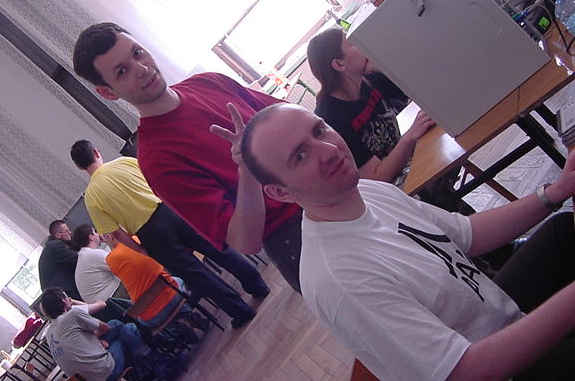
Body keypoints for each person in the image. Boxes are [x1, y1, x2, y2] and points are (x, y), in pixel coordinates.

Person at [239, 103, 575, 381]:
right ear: (280, 192)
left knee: (562, 232)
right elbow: (466, 371)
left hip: (494, 317)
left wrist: (554, 192)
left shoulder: (365, 190)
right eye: (300, 156)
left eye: (319, 130)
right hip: (492, 367)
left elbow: (466, 233)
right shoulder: (338, 278)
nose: (328, 150)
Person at [72, 23, 303, 292]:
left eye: (137, 53)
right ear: (108, 92)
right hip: (295, 233)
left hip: (328, 186)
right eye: (122, 71)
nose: (142, 69)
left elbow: (297, 122)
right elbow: (245, 240)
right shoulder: (157, 160)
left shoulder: (209, 81)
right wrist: (247, 171)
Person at [70, 140, 269, 328]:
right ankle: (257, 286)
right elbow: (157, 182)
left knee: (195, 273)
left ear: (79, 167)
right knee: (216, 247)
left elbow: (116, 233)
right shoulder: (124, 162)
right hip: (171, 209)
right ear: (96, 152)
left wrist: (140, 249)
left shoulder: (91, 197)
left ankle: (240, 311)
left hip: (150, 234)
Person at [307, 28, 472, 214]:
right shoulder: (331, 119)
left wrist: (384, 65)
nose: (361, 43)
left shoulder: (368, 80)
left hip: (405, 162)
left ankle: (467, 222)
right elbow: (377, 177)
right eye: (352, 43)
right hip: (385, 191)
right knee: (435, 179)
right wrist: (409, 136)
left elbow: (423, 85)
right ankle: (465, 225)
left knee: (451, 135)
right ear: (339, 64)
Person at [104, 233, 208, 335]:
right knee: (176, 281)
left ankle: (177, 324)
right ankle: (187, 315)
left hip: (152, 317)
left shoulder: (110, 260)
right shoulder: (135, 240)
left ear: (109, 237)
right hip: (173, 297)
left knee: (143, 317)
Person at [41, 287, 151, 381]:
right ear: (63, 300)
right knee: (124, 332)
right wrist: (99, 342)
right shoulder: (72, 315)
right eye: (66, 296)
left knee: (121, 328)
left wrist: (98, 342)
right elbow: (105, 328)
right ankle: (152, 361)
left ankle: (144, 371)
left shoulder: (49, 333)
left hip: (89, 378)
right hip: (106, 373)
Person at [72, 223, 129, 303]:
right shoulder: (93, 254)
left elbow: (116, 259)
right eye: (95, 231)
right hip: (112, 297)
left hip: (103, 302)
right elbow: (122, 263)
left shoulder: (85, 255)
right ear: (91, 237)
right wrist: (110, 240)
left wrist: (108, 241)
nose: (98, 234)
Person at [38, 220, 81, 300]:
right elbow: (78, 258)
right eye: (67, 231)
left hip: (62, 290)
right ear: (58, 235)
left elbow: (78, 246)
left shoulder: (56, 243)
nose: (70, 232)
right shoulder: (55, 246)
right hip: (64, 292)